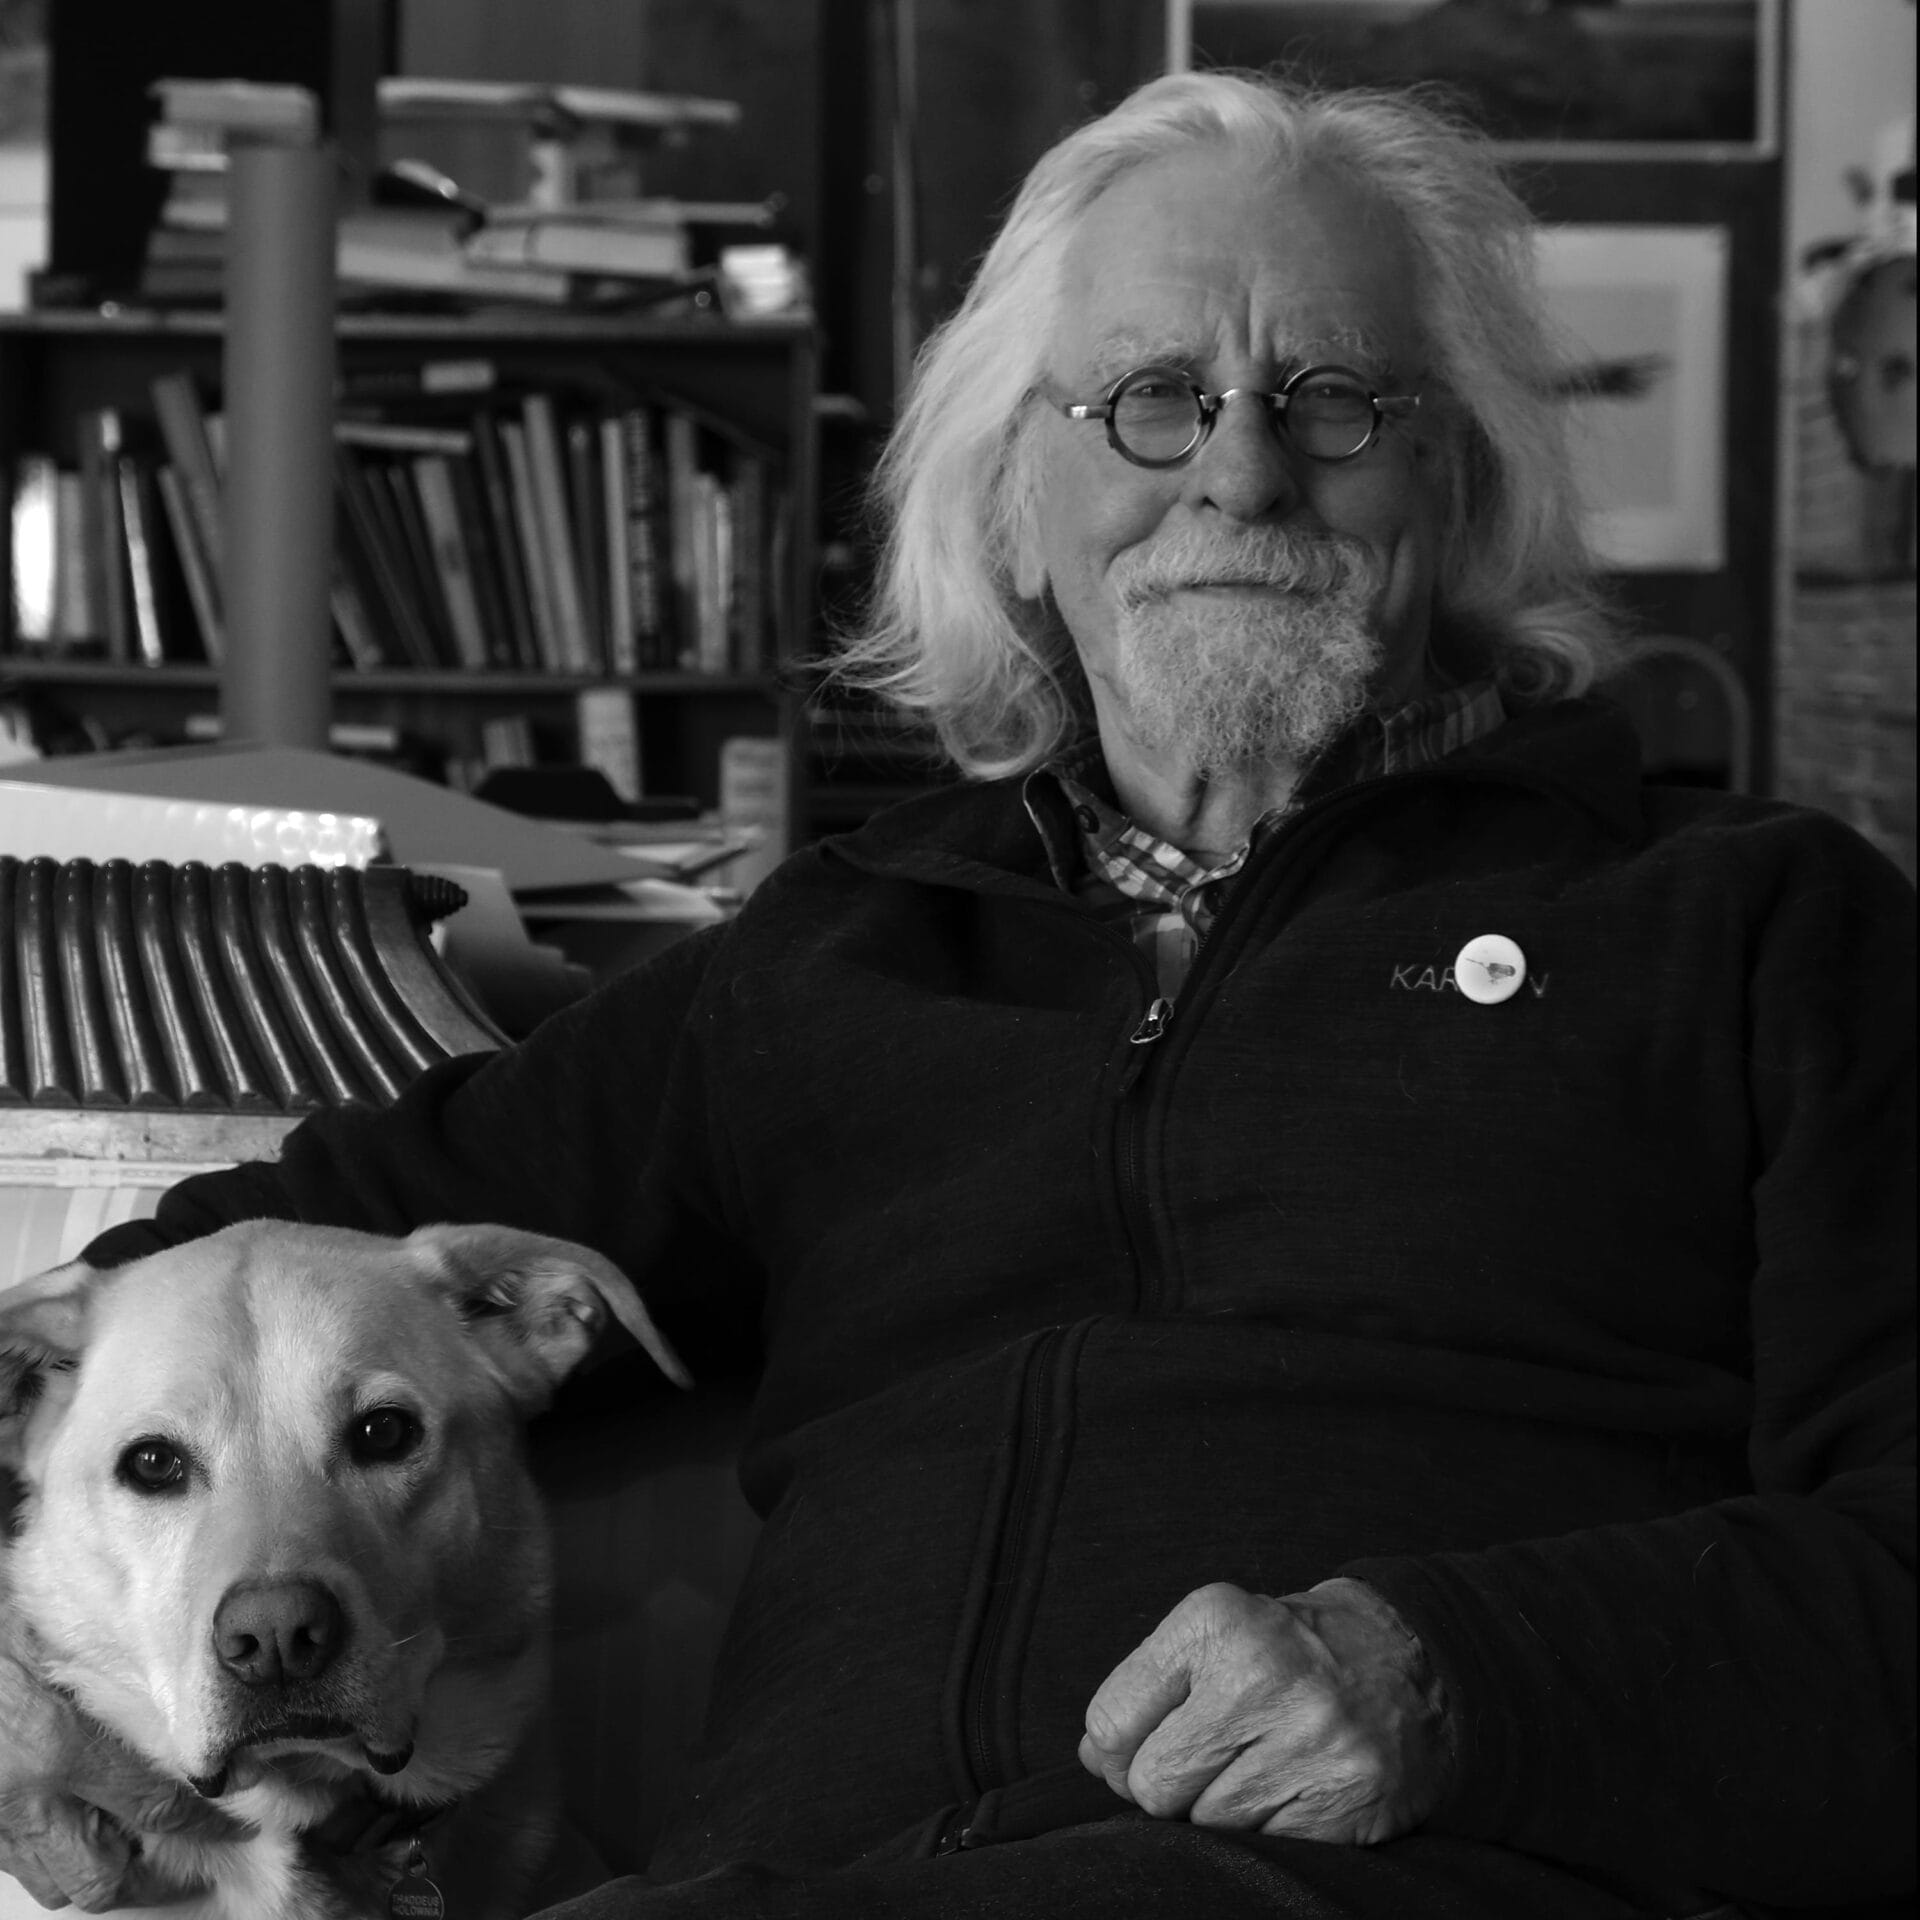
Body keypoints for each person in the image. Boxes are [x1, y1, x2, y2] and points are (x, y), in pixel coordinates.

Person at [3, 68, 1913, 1920]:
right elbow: (247, 1277)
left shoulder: (1752, 928)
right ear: (1013, 500)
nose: (1241, 469)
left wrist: (1464, 1677)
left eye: (1334, 398)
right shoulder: (839, 955)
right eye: (1152, 399)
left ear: (1462, 473)